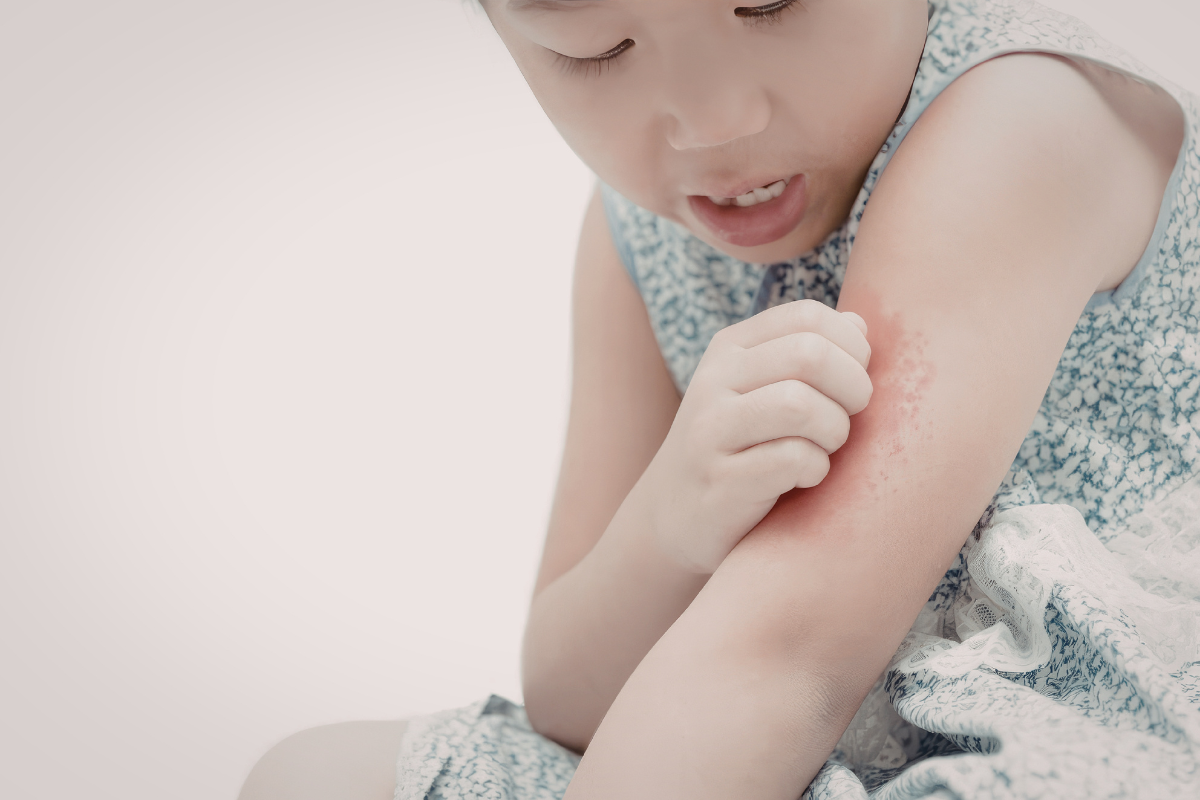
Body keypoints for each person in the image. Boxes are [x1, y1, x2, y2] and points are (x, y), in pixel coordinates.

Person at [240, 0, 1200, 797]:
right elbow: (571, 703)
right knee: (316, 779)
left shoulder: (1019, 124)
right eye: (598, 49)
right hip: (761, 749)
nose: (714, 121)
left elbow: (789, 654)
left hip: (1068, 741)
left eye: (769, 4)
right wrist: (670, 523)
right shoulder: (645, 232)